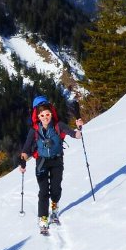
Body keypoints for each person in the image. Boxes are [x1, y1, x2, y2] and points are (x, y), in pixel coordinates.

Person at [19, 96, 83, 234]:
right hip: (41, 162)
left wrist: (79, 126)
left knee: (55, 188)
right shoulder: (34, 130)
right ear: (37, 116)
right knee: (43, 191)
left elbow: (74, 134)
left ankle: (54, 208)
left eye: (47, 114)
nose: (45, 117)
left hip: (57, 161)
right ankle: (43, 217)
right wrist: (23, 161)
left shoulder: (58, 125)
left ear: (51, 113)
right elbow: (26, 148)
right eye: (42, 115)